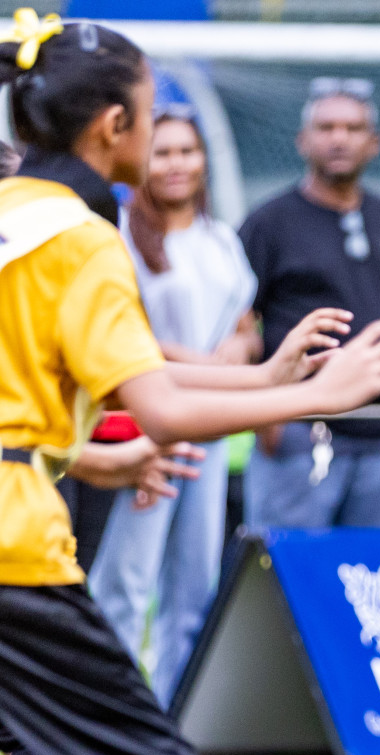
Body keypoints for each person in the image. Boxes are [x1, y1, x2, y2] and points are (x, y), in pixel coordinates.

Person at [0, 11, 380, 755]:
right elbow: (165, 402)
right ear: (112, 126)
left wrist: (255, 373)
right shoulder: (81, 238)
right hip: (14, 542)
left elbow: (108, 378)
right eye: (150, 109)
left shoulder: (13, 219)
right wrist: (313, 395)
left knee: (60, 735)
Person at [89, 104, 259, 708]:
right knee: (126, 580)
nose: (177, 163)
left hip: (209, 429)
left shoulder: (220, 239)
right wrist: (201, 366)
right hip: (143, 424)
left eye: (188, 150)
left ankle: (173, 718)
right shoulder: (120, 240)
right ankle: (101, 714)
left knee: (195, 582)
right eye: (162, 151)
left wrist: (235, 353)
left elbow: (245, 325)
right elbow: (122, 332)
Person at [231, 76, 380, 535]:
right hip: (300, 435)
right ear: (303, 140)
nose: (338, 138)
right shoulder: (269, 223)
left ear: (375, 143)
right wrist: (266, 420)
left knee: (369, 581)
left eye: (352, 127)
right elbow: (241, 325)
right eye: (326, 127)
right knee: (284, 577)